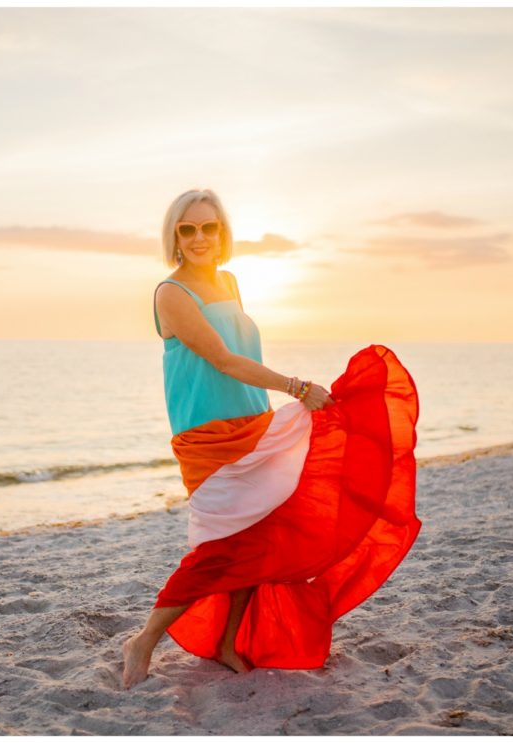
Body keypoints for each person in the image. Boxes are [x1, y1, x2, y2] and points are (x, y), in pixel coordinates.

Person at [122, 188, 421, 690]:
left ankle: (226, 641)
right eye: (187, 229)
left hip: (254, 424)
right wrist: (297, 388)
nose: (199, 238)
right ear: (174, 236)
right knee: (217, 550)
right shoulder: (171, 293)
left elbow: (242, 353)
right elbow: (223, 360)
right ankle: (143, 640)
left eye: (208, 227)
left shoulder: (231, 281)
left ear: (222, 232)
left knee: (257, 540)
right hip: (209, 437)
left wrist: (289, 402)